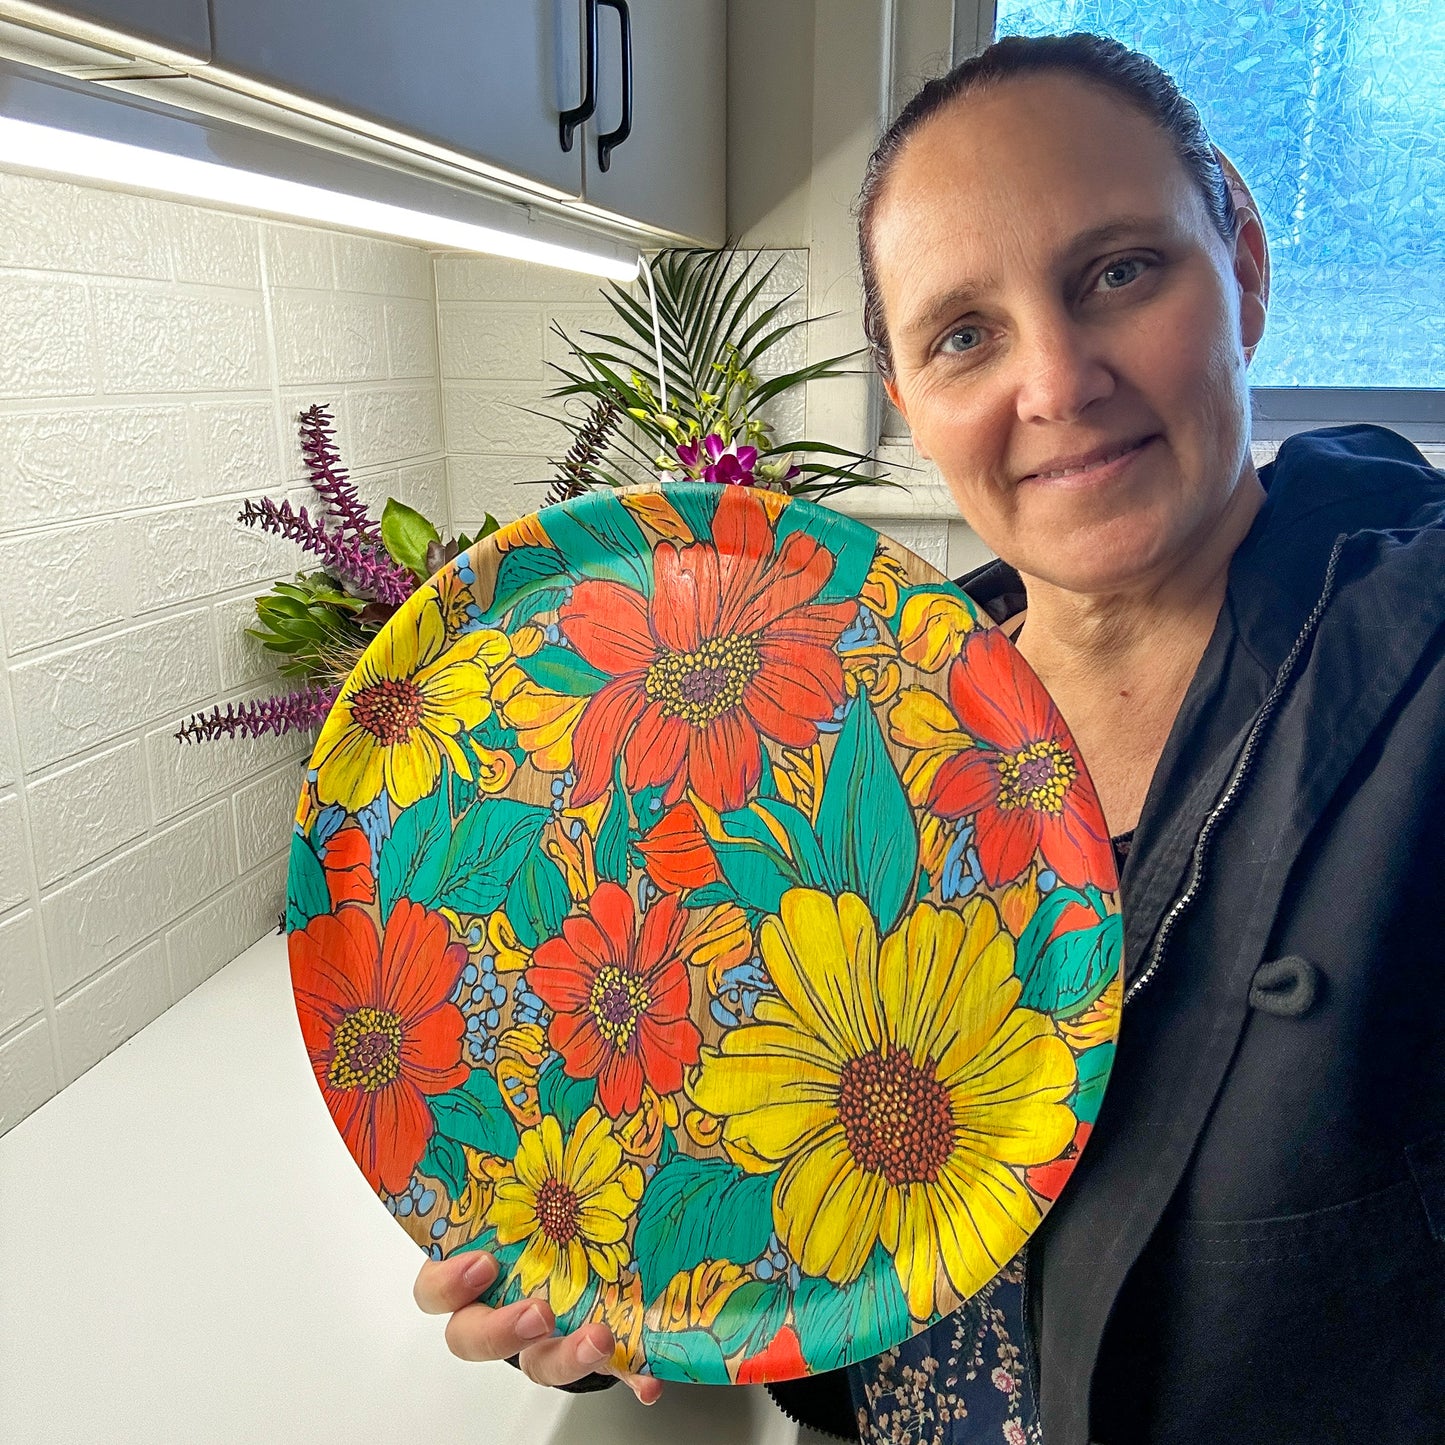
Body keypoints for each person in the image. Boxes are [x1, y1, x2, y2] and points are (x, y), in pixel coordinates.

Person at [413, 33, 1445, 1444]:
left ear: (1243, 263)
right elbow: (736, 1132)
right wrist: (603, 1300)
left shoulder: (1414, 673)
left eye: (1118, 273)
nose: (1056, 383)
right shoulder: (858, 718)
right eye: (963, 333)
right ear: (906, 400)